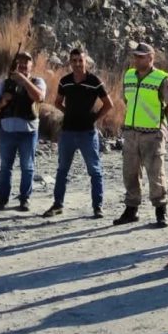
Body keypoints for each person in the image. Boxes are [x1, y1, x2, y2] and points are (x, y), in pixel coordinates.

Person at [113, 42, 168, 228]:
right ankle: (131, 210)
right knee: (130, 172)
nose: (136, 59)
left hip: (153, 133)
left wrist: (160, 119)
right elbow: (127, 98)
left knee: (155, 172)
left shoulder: (161, 78)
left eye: (141, 56)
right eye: (135, 56)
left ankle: (160, 210)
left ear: (151, 58)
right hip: (131, 132)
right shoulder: (128, 76)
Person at [45, 48, 113, 219]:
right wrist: (69, 113)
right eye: (74, 60)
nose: (77, 64)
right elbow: (57, 102)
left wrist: (94, 117)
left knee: (94, 170)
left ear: (86, 62)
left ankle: (98, 207)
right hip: (67, 132)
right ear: (70, 62)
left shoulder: (94, 81)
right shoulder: (65, 81)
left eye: (80, 60)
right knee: (62, 170)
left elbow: (108, 104)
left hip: (87, 134)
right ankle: (57, 205)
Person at [0, 51, 47, 211]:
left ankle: (24, 199)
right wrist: (2, 101)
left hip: (28, 133)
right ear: (15, 65)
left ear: (31, 66)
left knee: (27, 167)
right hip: (7, 132)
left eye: (26, 62)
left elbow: (39, 97)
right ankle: (2, 199)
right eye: (20, 62)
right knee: (5, 167)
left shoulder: (37, 81)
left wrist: (24, 81)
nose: (23, 65)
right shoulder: (5, 83)